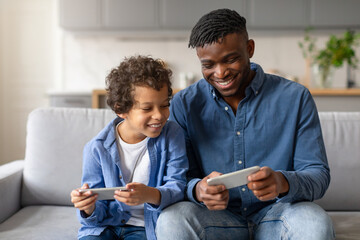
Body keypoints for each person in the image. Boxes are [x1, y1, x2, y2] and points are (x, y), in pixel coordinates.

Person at [156, 8, 335, 240]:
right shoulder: (184, 103)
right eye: (208, 65)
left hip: (279, 214)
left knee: (315, 221)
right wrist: (198, 189)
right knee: (171, 220)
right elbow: (179, 177)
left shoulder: (295, 97)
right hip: (215, 219)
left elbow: (317, 174)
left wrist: (283, 182)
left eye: (230, 59)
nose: (220, 73)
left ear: (249, 48)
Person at [70, 55, 188, 240]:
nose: (159, 115)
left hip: (144, 229)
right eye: (147, 108)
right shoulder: (96, 148)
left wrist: (151, 194)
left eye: (164, 105)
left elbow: (179, 186)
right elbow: (93, 219)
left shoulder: (172, 135)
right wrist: (88, 207)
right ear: (121, 109)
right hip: (104, 228)